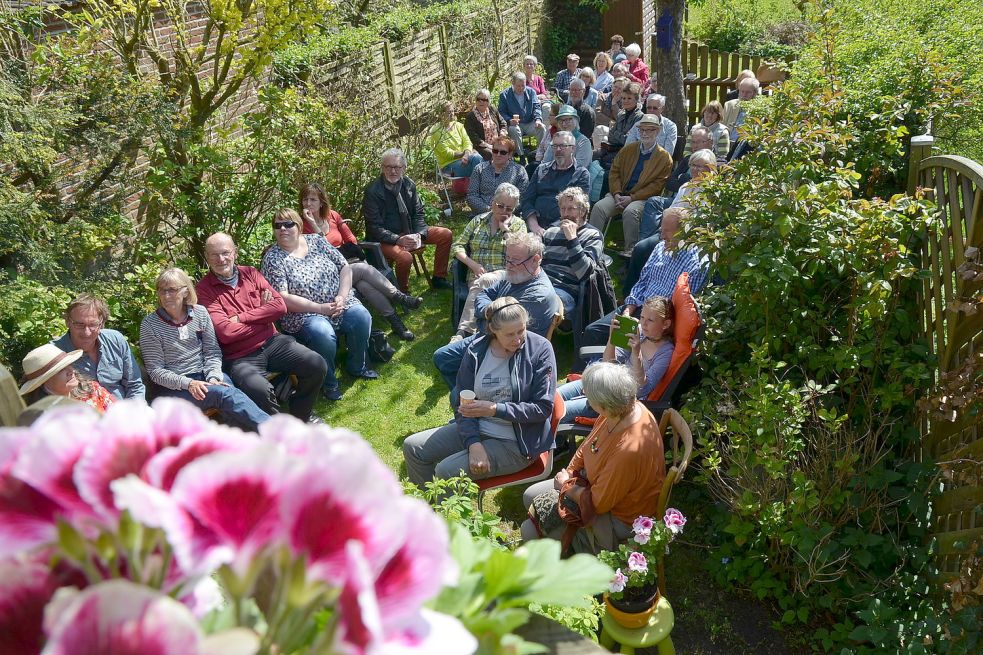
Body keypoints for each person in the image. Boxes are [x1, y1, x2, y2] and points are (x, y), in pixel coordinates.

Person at [404, 297, 557, 487]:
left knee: (446, 471)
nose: (518, 339)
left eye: (521, 330)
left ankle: (447, 507)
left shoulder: (540, 350)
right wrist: (474, 443)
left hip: (518, 442)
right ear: (493, 330)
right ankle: (425, 504)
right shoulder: (476, 351)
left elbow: (542, 408)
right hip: (479, 426)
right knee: (413, 448)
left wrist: (495, 409)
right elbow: (463, 402)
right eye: (510, 334)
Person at [521, 362, 665, 554]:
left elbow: (598, 503)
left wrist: (566, 486)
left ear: (605, 405)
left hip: (616, 519)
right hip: (590, 484)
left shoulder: (628, 450)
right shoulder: (621, 409)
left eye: (589, 396)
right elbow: (587, 446)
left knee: (528, 531)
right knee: (529, 495)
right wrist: (571, 472)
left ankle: (575, 554)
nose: (585, 396)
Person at [196, 232, 327, 423]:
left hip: (273, 342)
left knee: (316, 364)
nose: (221, 259)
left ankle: (301, 417)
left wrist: (241, 318)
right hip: (240, 357)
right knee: (259, 390)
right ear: (207, 258)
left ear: (235, 253)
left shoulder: (250, 273)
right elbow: (226, 332)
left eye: (225, 253)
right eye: (214, 255)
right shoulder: (203, 290)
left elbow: (279, 307)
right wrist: (263, 316)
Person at [262, 209, 377, 402]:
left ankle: (358, 366)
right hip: (304, 313)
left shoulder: (316, 241)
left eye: (288, 224)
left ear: (299, 226)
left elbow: (344, 266)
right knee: (322, 333)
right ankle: (329, 382)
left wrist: (342, 296)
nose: (282, 229)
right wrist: (320, 308)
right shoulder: (273, 259)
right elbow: (283, 297)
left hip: (338, 302)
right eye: (277, 225)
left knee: (361, 316)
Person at [140, 267, 270, 429]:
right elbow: (156, 371)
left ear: (185, 291)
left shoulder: (200, 313)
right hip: (175, 388)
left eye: (172, 290)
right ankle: (273, 431)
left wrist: (213, 377)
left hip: (206, 374)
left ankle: (249, 438)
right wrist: (189, 383)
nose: (166, 296)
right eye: (162, 290)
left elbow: (212, 351)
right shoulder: (150, 325)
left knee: (227, 390)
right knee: (225, 394)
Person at [433, 232, 560, 391]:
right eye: (507, 258)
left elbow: (490, 328)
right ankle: (472, 390)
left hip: (510, 349)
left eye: (515, 260)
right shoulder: (518, 275)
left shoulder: (535, 296)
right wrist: (489, 312)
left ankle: (472, 393)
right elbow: (483, 294)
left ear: (536, 259)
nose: (509, 265)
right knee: (442, 357)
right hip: (496, 336)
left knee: (443, 359)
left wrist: (483, 317)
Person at [300, 183, 422, 340]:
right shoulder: (301, 226)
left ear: (321, 202)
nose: (308, 204)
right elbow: (321, 250)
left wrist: (344, 252)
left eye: (313, 199)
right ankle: (400, 297)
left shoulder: (332, 216)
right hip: (329, 274)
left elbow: (351, 239)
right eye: (305, 200)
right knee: (363, 269)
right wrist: (313, 224)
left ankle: (397, 324)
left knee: (365, 285)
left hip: (348, 264)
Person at [580, 208, 708, 355]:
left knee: (621, 347)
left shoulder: (696, 265)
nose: (662, 236)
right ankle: (588, 369)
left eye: (667, 231)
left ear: (684, 233)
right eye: (661, 230)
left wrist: (644, 322)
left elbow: (677, 310)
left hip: (656, 322)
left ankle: (607, 366)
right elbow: (642, 282)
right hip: (637, 307)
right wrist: (628, 310)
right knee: (593, 332)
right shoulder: (661, 247)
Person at [557, 296, 674, 423]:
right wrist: (612, 339)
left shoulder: (665, 352)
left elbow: (642, 389)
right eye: (642, 317)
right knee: (551, 397)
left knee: (555, 410)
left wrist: (636, 353)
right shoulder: (639, 332)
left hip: (615, 402)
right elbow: (608, 363)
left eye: (650, 320)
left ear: (666, 324)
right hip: (604, 382)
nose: (643, 324)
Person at [363, 148, 454, 292]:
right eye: (388, 167)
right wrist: (398, 239)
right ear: (382, 168)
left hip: (409, 230)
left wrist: (419, 234)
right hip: (385, 239)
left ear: (404, 168)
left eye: (397, 167)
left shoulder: (409, 184)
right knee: (405, 258)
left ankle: (439, 278)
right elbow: (374, 227)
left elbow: (418, 213)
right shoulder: (373, 191)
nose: (393, 171)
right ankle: (402, 292)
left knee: (445, 234)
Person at [452, 184, 528, 340]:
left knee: (485, 280)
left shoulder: (519, 225)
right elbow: (457, 245)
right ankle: (483, 335)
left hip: (504, 276)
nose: (504, 211)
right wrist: (472, 264)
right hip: (476, 274)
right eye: (500, 206)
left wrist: (505, 229)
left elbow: (519, 253)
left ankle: (463, 332)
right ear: (493, 202)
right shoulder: (478, 221)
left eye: (509, 209)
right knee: (481, 283)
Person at [588, 114, 673, 252]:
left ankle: (631, 251)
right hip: (619, 195)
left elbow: (657, 186)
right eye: (642, 130)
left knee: (630, 212)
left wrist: (632, 198)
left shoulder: (664, 158)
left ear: (657, 131)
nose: (644, 133)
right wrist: (616, 193)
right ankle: (590, 246)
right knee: (599, 207)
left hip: (642, 199)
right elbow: (614, 171)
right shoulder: (628, 149)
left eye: (649, 130)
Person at [52, 293, 145, 400]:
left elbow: (134, 385)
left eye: (93, 324)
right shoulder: (55, 352)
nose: (86, 332)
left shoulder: (115, 340)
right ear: (67, 322)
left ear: (102, 324)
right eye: (79, 324)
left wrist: (133, 408)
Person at [541, 187, 603, 318]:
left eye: (571, 209)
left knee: (540, 305)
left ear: (583, 211)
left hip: (565, 291)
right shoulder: (551, 232)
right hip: (541, 284)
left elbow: (585, 273)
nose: (566, 214)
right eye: (562, 209)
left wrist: (572, 239)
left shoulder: (593, 235)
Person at [637, 148, 717, 244]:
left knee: (644, 248)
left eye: (699, 167)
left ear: (710, 169)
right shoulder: (685, 186)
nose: (694, 169)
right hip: (672, 230)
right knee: (641, 246)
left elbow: (703, 219)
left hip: (691, 235)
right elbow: (672, 209)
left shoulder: (712, 190)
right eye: (693, 165)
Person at [520, 131, 590, 235]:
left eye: (563, 146)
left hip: (563, 229)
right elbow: (527, 199)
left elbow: (579, 208)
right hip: (534, 226)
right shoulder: (541, 170)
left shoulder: (581, 174)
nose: (558, 150)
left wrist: (550, 231)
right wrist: (533, 225)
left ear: (573, 148)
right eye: (555, 146)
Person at [20, 343, 116, 413]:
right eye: (60, 370)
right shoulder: (43, 416)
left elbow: (119, 417)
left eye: (68, 365)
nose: (71, 371)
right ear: (44, 382)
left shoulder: (92, 390)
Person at [427, 102, 483, 178]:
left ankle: (480, 183)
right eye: (449, 112)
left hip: (465, 159)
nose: (452, 114)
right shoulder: (436, 131)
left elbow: (467, 142)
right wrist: (464, 154)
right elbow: (447, 153)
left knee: (478, 158)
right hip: (448, 166)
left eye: (453, 111)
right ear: (441, 114)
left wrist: (466, 154)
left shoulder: (458, 126)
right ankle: (482, 183)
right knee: (478, 166)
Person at [499, 72, 547, 159]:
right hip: (515, 124)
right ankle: (521, 155)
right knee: (513, 129)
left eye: (523, 86)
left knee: (542, 127)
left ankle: (541, 152)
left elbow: (536, 107)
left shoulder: (531, 92)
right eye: (518, 86)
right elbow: (501, 112)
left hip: (529, 122)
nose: (521, 88)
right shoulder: (504, 95)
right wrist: (509, 120)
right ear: (513, 83)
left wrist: (538, 119)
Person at [596, 82, 643, 168]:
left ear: (636, 99)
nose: (625, 101)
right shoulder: (621, 114)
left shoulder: (639, 117)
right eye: (623, 98)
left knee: (603, 162)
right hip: (613, 148)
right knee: (594, 156)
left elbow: (628, 140)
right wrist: (619, 135)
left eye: (629, 98)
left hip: (628, 153)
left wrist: (616, 133)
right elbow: (610, 136)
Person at [666, 126, 718, 196]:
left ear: (710, 143)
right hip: (676, 198)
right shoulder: (688, 159)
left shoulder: (714, 164)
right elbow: (669, 183)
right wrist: (685, 183)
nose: (695, 146)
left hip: (696, 201)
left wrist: (685, 180)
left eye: (699, 142)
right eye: (693, 142)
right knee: (654, 200)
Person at [540, 106, 592, 171]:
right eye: (561, 121)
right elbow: (545, 163)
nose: (564, 124)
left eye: (568, 120)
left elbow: (580, 168)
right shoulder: (556, 140)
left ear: (575, 121)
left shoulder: (583, 142)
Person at [463, 88, 508, 161]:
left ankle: (509, 167)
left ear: (488, 102)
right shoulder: (471, 116)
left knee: (507, 149)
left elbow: (503, 122)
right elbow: (472, 135)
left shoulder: (492, 110)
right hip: (481, 146)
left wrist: (502, 134)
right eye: (478, 99)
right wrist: (488, 146)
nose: (481, 102)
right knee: (492, 153)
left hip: (497, 142)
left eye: (484, 100)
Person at [723, 76, 760, 142]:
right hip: (728, 142)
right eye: (742, 91)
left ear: (755, 93)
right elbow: (721, 126)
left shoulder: (759, 109)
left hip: (747, 143)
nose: (744, 95)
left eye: (748, 92)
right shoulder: (729, 105)